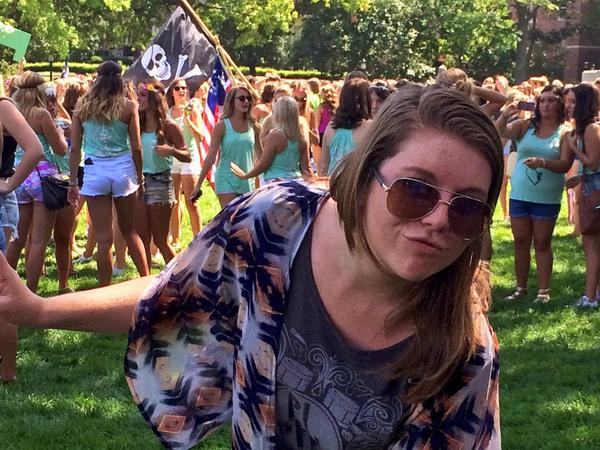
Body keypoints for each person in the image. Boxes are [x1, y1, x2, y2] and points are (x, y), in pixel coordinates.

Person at [0, 85, 501, 448]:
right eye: (416, 190)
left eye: (467, 207)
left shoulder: (463, 348)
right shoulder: (278, 222)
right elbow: (183, 293)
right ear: (367, 176)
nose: (438, 220)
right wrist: (38, 310)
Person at [68, 60, 149, 287]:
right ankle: (147, 284)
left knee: (104, 240)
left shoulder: (83, 106)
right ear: (120, 79)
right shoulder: (128, 106)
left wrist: (73, 181)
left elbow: (75, 148)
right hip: (123, 170)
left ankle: (104, 290)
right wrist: (141, 177)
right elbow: (137, 147)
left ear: (97, 78)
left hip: (95, 171)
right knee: (129, 231)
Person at [496, 85, 569, 303]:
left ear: (560, 105)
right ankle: (520, 288)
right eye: (542, 100)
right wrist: (504, 115)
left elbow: (565, 164)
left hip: (546, 197)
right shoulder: (525, 125)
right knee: (520, 241)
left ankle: (543, 291)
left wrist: (543, 163)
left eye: (551, 100)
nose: (545, 105)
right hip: (520, 193)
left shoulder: (564, 132)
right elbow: (500, 132)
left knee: (542, 242)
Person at [7, 72, 68, 293]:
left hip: (18, 176)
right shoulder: (41, 114)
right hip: (43, 177)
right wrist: (60, 133)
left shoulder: (12, 113)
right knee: (39, 241)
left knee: (17, 238)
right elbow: (60, 149)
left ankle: (5, 288)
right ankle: (30, 293)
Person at [0, 97, 43, 383]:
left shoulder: (3, 107)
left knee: (2, 288)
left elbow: (35, 149)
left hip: (1, 202)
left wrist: (9, 184)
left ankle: (7, 372)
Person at [135, 81, 190, 265]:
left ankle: (177, 275)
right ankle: (145, 278)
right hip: (139, 182)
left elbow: (187, 155)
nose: (138, 99)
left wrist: (171, 150)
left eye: (142, 95)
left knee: (160, 240)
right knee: (142, 237)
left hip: (160, 181)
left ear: (153, 99)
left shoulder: (169, 126)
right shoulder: (137, 124)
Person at [191, 86, 261, 208]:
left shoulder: (254, 127)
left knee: (243, 219)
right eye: (241, 98)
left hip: (247, 179)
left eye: (248, 98)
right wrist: (198, 185)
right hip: (226, 178)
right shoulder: (221, 126)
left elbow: (262, 156)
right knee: (231, 215)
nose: (246, 101)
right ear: (232, 101)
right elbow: (211, 157)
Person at [230, 95, 312, 182]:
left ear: (278, 113)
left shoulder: (275, 135)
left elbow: (264, 165)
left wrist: (246, 176)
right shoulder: (301, 138)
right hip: (297, 182)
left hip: (276, 183)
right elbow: (306, 168)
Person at [166, 79, 204, 246]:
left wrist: (189, 121)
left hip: (189, 159)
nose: (181, 90)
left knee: (191, 201)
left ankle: (199, 240)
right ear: (172, 92)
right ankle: (175, 240)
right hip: (172, 160)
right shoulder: (167, 112)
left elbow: (200, 137)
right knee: (173, 202)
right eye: (177, 88)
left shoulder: (192, 109)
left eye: (184, 88)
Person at [319, 78, 372, 175]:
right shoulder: (369, 127)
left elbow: (323, 167)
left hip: (332, 181)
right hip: (356, 183)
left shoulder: (331, 127)